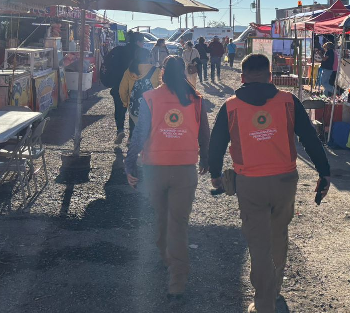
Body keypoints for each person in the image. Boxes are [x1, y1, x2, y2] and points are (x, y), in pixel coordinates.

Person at [209, 53, 331, 313]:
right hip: (285, 181)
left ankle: (264, 305)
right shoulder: (288, 102)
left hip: (249, 182)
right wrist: (324, 171)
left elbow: (217, 143)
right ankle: (274, 290)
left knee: (258, 244)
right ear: (270, 76)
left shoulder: (230, 106)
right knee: (278, 235)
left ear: (242, 78)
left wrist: (216, 175)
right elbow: (310, 138)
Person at [125, 56, 210, 303]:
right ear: (183, 72)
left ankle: (166, 258)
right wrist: (205, 160)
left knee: (161, 218)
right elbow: (205, 134)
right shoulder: (196, 99)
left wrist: (129, 164)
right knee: (178, 224)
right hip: (185, 170)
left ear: (162, 72)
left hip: (155, 170)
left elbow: (139, 135)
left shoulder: (151, 98)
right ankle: (177, 282)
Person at [102, 31, 143, 142]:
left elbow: (106, 65)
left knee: (119, 109)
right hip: (135, 87)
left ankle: (120, 130)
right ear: (139, 42)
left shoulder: (117, 50)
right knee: (133, 111)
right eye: (142, 42)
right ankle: (131, 136)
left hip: (118, 86)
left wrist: (108, 82)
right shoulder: (141, 53)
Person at [118, 47, 161, 145]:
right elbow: (161, 88)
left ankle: (131, 140)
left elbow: (122, 89)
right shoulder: (156, 70)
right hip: (152, 107)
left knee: (133, 122)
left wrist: (126, 102)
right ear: (148, 57)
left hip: (134, 107)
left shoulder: (129, 71)